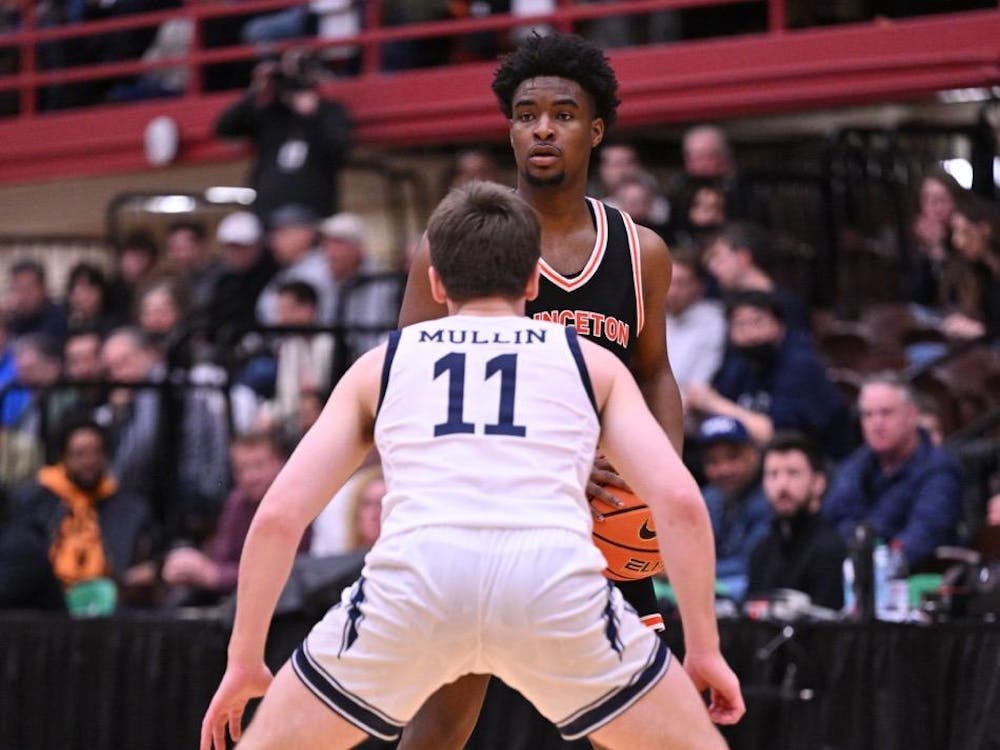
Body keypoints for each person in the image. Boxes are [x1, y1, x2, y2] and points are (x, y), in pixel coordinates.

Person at [200, 181, 742, 750]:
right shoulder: (592, 363)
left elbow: (278, 517)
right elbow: (679, 502)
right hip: (549, 579)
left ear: (436, 282)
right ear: (532, 281)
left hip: (416, 580)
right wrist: (704, 650)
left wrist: (244, 660)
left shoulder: (381, 366)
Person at [396, 32, 686, 750]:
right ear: (510, 130)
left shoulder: (640, 252)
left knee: (641, 728)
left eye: (563, 114)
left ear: (596, 130)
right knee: (441, 723)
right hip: (487, 514)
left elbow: (654, 371)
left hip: (600, 525)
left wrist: (660, 474)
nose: (543, 129)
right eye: (526, 115)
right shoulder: (456, 245)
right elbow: (410, 381)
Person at [0, 417, 153, 613]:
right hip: (48, 606)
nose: (89, 461)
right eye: (79, 454)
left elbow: (147, 556)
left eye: (96, 452)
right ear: (63, 457)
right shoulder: (33, 501)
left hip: (112, 606)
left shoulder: (129, 508)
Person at [686, 290, 854, 458]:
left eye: (757, 322)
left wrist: (713, 403)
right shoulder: (741, 362)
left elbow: (775, 435)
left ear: (779, 324)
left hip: (814, 461)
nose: (750, 333)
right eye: (740, 324)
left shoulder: (800, 364)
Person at [823, 372, 965, 570]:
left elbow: (923, 537)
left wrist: (871, 560)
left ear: (912, 415)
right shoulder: (854, 466)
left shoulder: (940, 469)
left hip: (920, 579)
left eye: (886, 413)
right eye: (868, 415)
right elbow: (832, 523)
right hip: (855, 573)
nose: (876, 424)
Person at [161, 431, 303, 606]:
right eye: (242, 468)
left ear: (281, 463)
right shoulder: (237, 503)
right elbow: (222, 560)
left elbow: (288, 574)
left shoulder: (296, 502)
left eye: (259, 465)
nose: (250, 477)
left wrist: (215, 576)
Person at [214, 48, 352, 224]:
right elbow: (224, 128)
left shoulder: (330, 111)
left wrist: (313, 117)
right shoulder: (268, 114)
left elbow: (339, 153)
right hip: (268, 211)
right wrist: (255, 91)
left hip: (314, 209)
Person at [747, 432, 846, 611]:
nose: (782, 485)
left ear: (818, 483)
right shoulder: (761, 551)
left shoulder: (831, 550)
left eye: (793, 473)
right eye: (773, 474)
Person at [697, 415, 771, 602]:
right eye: (713, 461)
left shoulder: (770, 497)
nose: (723, 469)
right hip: (711, 579)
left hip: (751, 587)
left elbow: (750, 564)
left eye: (733, 457)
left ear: (754, 454)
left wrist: (689, 570)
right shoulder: (709, 497)